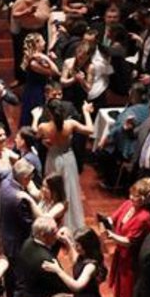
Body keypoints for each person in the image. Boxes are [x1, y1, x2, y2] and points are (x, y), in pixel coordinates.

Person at [37, 99, 94, 232]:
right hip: (68, 159)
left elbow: (37, 134)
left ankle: (52, 221)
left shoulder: (43, 126)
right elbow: (90, 130)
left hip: (53, 158)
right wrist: (86, 112)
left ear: (49, 112)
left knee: (53, 190)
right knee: (69, 190)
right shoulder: (70, 124)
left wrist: (35, 118)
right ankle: (70, 223)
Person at [104, 178, 150, 297]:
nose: (131, 197)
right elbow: (113, 218)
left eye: (135, 196)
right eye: (131, 194)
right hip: (121, 255)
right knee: (119, 288)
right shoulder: (128, 204)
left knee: (127, 290)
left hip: (132, 259)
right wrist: (105, 221)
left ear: (144, 199)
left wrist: (112, 235)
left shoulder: (144, 217)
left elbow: (129, 242)